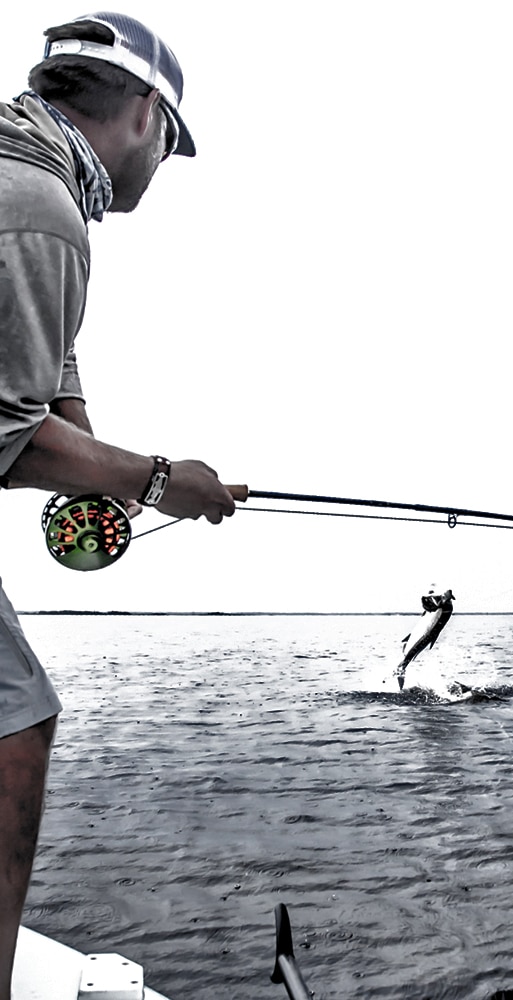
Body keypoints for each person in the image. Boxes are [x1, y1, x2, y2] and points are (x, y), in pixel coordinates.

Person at [0, 13, 236, 996]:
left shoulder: (23, 171)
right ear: (145, 113)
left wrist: (108, 477)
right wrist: (158, 478)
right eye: (171, 145)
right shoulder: (39, 204)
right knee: (15, 725)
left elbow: (45, 361)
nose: (161, 165)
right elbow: (4, 431)